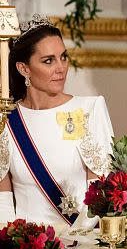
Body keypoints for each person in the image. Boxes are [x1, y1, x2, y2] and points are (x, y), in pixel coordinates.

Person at [0, 15, 113, 230]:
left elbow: (100, 191)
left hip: (80, 243)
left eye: (63, 57)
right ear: (24, 69)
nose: (61, 68)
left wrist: (72, 241)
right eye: (48, 60)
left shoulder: (90, 110)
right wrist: (12, 247)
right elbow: (2, 200)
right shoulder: (6, 119)